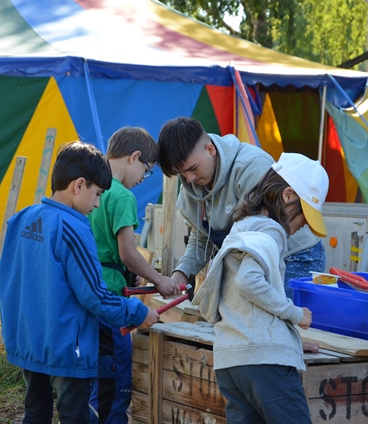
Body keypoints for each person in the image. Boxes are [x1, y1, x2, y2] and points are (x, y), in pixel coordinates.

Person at [0, 141, 159, 424]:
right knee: (75, 417)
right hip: (67, 350)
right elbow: (95, 295)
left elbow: (5, 279)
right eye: (97, 195)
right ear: (79, 185)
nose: (96, 204)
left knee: (35, 413)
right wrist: (139, 312)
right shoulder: (72, 227)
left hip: (30, 344)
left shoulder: (21, 219)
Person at [192, 153, 329, 424]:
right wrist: (295, 313)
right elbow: (249, 281)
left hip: (230, 361)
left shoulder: (241, 228)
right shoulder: (269, 232)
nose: (302, 226)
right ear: (288, 195)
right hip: (264, 361)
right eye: (304, 216)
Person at [157, 117, 325, 297]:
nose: (189, 178)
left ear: (210, 149)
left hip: (296, 255)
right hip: (253, 258)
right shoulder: (189, 189)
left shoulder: (252, 166)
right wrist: (179, 276)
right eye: (181, 173)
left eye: (193, 168)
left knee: (273, 319)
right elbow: (201, 239)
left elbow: (256, 238)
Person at [87, 127, 180, 423]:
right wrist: (160, 280)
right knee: (114, 389)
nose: (143, 178)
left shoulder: (87, 189)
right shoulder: (122, 196)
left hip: (87, 293)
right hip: (112, 303)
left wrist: (128, 272)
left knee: (92, 383)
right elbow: (128, 253)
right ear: (134, 157)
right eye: (147, 170)